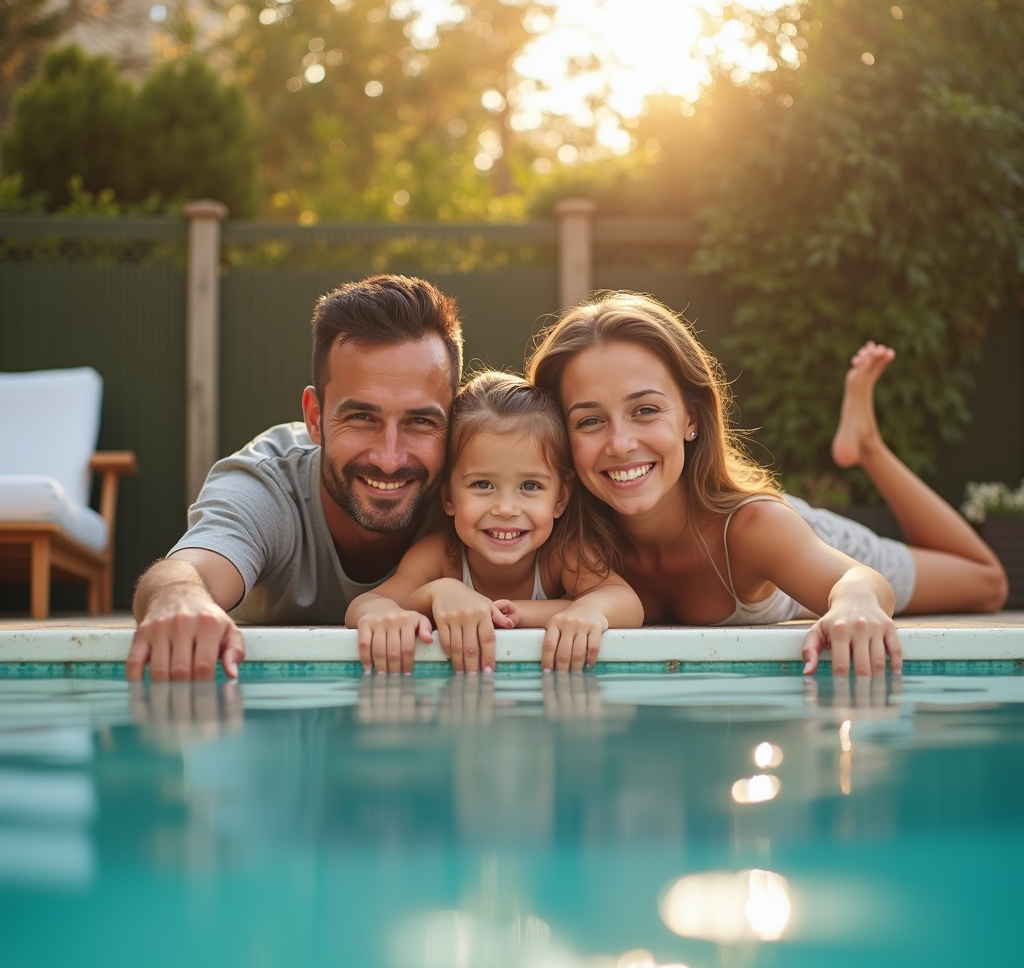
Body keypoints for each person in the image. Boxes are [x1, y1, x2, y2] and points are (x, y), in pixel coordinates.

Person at [526, 291, 1009, 678]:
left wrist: (854, 602)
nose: (621, 442)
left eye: (645, 410)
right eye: (590, 421)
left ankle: (868, 447)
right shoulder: (566, 540)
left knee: (986, 583)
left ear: (692, 418)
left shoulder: (754, 526)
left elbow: (859, 580)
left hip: (811, 535)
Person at [126, 274, 464, 682]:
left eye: (420, 421)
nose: (389, 459)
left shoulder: (478, 490)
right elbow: (188, 570)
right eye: (361, 417)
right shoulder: (266, 486)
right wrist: (179, 598)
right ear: (315, 418)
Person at [345, 371, 644, 676]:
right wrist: (438, 593)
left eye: (529, 486)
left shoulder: (560, 554)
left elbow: (626, 602)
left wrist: (587, 611)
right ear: (448, 496)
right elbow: (367, 604)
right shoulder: (439, 557)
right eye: (483, 485)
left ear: (560, 499)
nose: (505, 509)